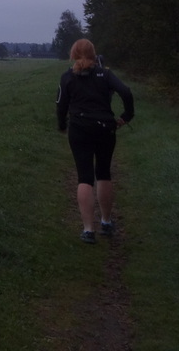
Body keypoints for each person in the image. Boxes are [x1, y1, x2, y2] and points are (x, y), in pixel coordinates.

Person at [56, 39, 134, 244]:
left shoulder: (67, 77)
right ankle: (106, 222)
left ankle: (88, 230)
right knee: (104, 173)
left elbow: (61, 106)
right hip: (105, 128)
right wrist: (126, 116)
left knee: (84, 177)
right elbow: (126, 92)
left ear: (73, 54)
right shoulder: (105, 74)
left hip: (79, 129)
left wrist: (62, 125)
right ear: (93, 54)